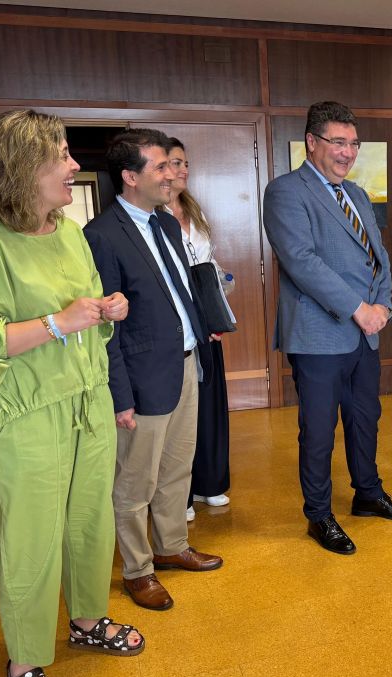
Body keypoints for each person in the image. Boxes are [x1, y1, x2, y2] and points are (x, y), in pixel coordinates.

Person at [0, 109, 143, 677]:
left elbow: (84, 309)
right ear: (23, 167)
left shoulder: (70, 233)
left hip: (85, 400)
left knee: (88, 523)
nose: (74, 165)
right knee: (29, 539)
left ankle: (86, 619)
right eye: (62, 155)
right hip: (24, 416)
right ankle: (23, 661)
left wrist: (107, 308)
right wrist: (58, 322)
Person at [263, 100, 392, 555]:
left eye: (353, 143)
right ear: (311, 142)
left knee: (365, 417)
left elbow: (378, 256)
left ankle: (367, 493)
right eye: (338, 142)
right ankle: (319, 514)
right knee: (318, 429)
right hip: (318, 334)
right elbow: (301, 261)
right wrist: (357, 308)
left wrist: (383, 305)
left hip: (365, 333)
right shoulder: (286, 192)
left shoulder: (358, 194)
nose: (347, 152)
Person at [85, 128, 222, 612]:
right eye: (160, 167)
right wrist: (119, 396)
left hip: (184, 363)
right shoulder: (101, 236)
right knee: (134, 482)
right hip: (141, 379)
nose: (172, 175)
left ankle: (171, 546)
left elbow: (176, 291)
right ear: (130, 176)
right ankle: (138, 570)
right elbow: (106, 327)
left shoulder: (164, 222)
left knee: (177, 467)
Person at [163, 138, 232, 519]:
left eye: (185, 163)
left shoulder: (194, 209)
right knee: (180, 414)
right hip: (177, 324)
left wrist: (221, 292)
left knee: (209, 405)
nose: (182, 170)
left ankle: (210, 483)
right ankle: (182, 495)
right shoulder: (152, 216)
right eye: (175, 163)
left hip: (207, 320)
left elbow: (209, 262)